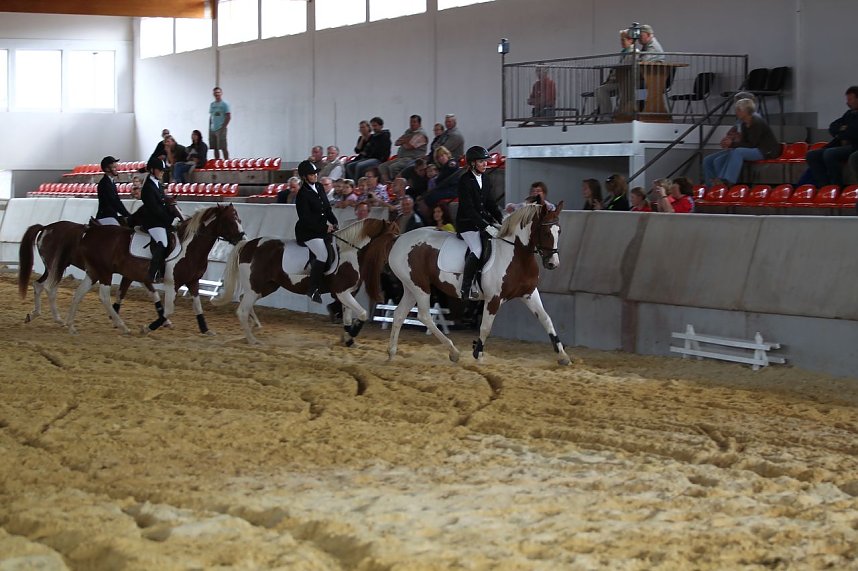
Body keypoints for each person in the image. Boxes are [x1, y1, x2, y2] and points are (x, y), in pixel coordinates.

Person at [456, 146, 503, 300]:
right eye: (481, 162)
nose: (485, 164)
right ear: (472, 163)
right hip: (467, 224)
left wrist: (502, 221)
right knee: (476, 249)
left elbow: (490, 203)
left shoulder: (486, 179)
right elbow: (469, 209)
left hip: (483, 221)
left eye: (485, 161)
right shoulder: (465, 181)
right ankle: (466, 286)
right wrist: (486, 227)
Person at [703, 98, 780, 187]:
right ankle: (711, 185)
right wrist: (733, 141)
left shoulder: (757, 122)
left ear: (746, 111)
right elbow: (744, 142)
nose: (736, 112)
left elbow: (751, 145)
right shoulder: (744, 123)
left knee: (737, 152)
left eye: (738, 110)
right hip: (752, 148)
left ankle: (727, 181)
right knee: (708, 160)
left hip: (765, 151)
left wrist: (732, 144)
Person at [294, 160, 338, 303]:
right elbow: (306, 219)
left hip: (321, 228)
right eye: (312, 174)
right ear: (305, 177)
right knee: (323, 254)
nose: (315, 176)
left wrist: (334, 221)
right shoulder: (302, 195)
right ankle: (312, 289)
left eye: (315, 174)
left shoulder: (319, 187)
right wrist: (325, 227)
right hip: (308, 231)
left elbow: (327, 208)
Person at [806, 86, 858, 187]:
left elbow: (854, 132)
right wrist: (843, 130)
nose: (848, 103)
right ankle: (824, 186)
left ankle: (836, 185)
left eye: (850, 99)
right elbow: (833, 126)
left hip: (854, 146)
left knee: (830, 154)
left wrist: (843, 130)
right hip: (842, 144)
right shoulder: (849, 114)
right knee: (812, 155)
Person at [137, 157, 179, 282]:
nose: (162, 172)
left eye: (163, 170)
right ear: (152, 170)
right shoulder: (147, 187)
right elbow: (155, 209)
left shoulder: (158, 184)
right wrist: (170, 220)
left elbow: (162, 205)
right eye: (160, 170)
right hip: (152, 222)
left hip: (161, 221)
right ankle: (152, 273)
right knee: (163, 243)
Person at [595, 30, 635, 119]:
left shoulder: (633, 52)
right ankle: (605, 113)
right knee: (599, 90)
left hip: (625, 81)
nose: (621, 42)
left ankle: (606, 115)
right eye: (621, 40)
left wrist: (613, 77)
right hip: (619, 80)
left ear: (630, 40)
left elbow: (625, 68)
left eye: (623, 40)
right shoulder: (624, 52)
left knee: (601, 90)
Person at [379, 114, 428, 182]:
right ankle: (387, 184)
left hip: (412, 158)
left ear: (419, 123)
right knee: (382, 166)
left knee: (393, 167)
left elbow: (409, 147)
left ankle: (397, 184)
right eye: (411, 122)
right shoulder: (408, 131)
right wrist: (406, 141)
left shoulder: (421, 134)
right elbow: (397, 142)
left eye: (414, 122)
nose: (412, 124)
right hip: (401, 158)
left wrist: (403, 141)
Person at [94, 155, 132, 226]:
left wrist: (127, 214)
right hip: (106, 216)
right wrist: (127, 215)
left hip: (112, 215)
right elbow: (114, 201)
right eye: (114, 167)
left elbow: (117, 200)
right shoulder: (105, 183)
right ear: (107, 169)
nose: (116, 169)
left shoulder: (111, 182)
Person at [209, 86, 231, 160]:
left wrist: (223, 128)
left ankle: (227, 162)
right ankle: (217, 162)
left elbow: (228, 116)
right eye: (215, 93)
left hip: (221, 128)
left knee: (223, 147)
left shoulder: (225, 104)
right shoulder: (212, 104)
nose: (217, 94)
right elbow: (211, 116)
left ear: (221, 93)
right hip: (213, 129)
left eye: (218, 92)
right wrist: (210, 128)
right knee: (215, 147)